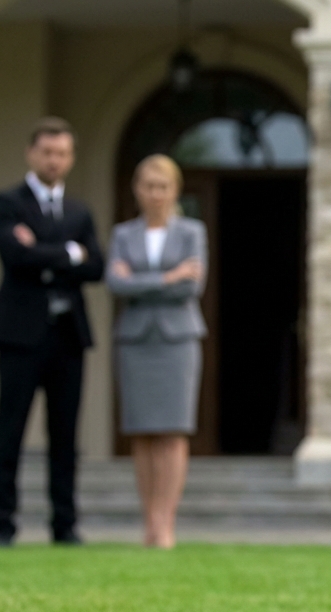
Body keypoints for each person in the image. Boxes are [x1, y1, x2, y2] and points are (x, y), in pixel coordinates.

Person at [0, 117, 106, 546]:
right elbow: (14, 256)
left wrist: (41, 249)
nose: (55, 160)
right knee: (10, 430)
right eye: (47, 152)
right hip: (19, 335)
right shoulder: (7, 202)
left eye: (62, 153)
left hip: (67, 335)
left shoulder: (79, 210)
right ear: (31, 154)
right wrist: (68, 251)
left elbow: (96, 266)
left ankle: (65, 524)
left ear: (70, 158)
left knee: (66, 434)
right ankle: (3, 523)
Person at [106, 155, 207, 549]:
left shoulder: (191, 232)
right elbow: (116, 284)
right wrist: (169, 276)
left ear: (174, 190)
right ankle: (148, 521)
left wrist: (142, 281)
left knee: (172, 432)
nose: (155, 193)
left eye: (162, 186)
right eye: (148, 185)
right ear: (137, 189)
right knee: (142, 433)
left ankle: (166, 523)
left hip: (178, 340)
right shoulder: (122, 235)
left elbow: (191, 287)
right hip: (134, 340)